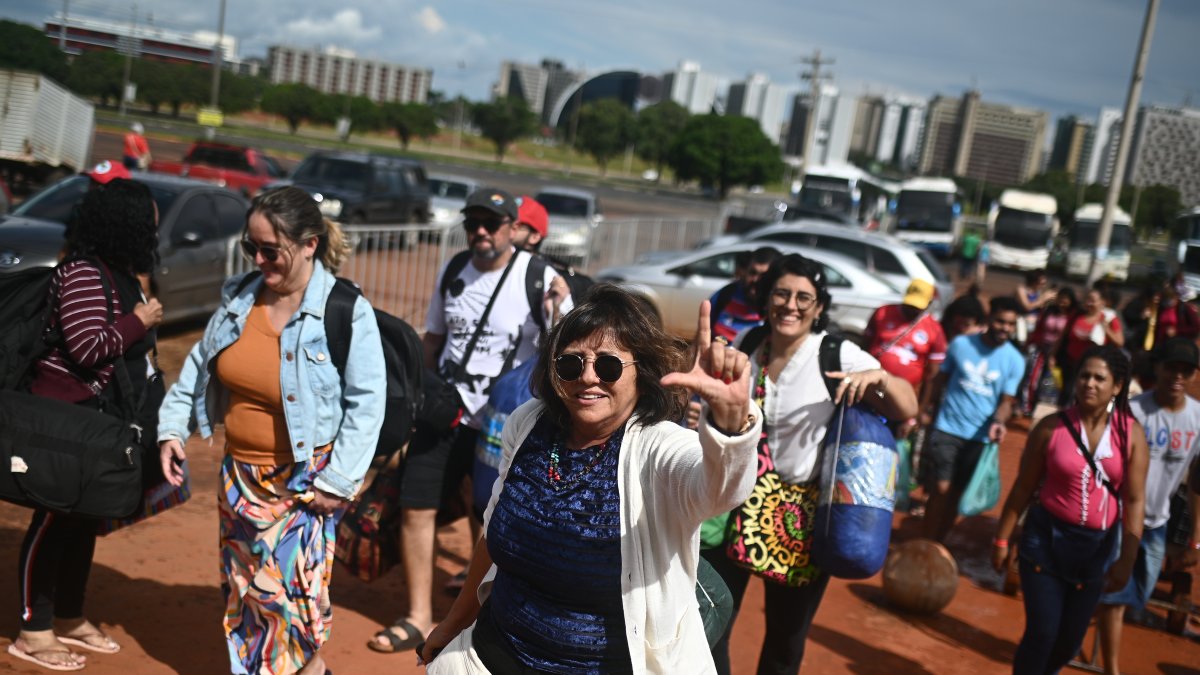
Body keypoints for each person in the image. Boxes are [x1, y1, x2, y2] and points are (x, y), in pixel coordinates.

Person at [419, 285, 762, 672]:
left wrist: (730, 426)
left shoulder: (658, 448)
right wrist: (454, 622)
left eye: (608, 365)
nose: (587, 377)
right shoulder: (528, 423)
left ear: (642, 372)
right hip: (493, 653)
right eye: (571, 363)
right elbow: (493, 528)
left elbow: (720, 490)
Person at [156, 186, 387, 675]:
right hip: (239, 481)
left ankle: (310, 670)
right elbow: (197, 369)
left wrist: (337, 481)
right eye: (251, 247)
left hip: (305, 485)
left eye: (270, 250)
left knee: (292, 601)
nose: (259, 260)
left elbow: (368, 403)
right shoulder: (240, 298)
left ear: (309, 244)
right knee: (246, 592)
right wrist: (173, 429)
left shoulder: (344, 310)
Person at [369, 188, 571, 654]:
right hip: (448, 412)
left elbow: (566, 347)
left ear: (512, 228)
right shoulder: (454, 269)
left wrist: (560, 309)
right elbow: (433, 340)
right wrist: (416, 398)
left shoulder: (538, 277)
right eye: (472, 222)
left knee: (491, 516)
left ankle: (478, 620)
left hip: (505, 421)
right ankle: (418, 616)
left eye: (491, 223)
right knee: (417, 504)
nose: (480, 231)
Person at [706, 253, 918, 674]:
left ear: (819, 307)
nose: (791, 305)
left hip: (802, 522)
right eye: (781, 294)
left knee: (784, 645)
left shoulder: (836, 353)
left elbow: (907, 405)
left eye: (804, 297)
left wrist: (880, 378)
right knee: (714, 625)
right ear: (767, 298)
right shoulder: (748, 342)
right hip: (737, 505)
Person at [10, 179, 163, 672]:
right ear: (128, 226)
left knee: (82, 522)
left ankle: (70, 616)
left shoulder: (120, 275)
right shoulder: (81, 273)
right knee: (52, 521)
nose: (156, 232)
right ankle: (33, 629)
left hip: (98, 425)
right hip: (63, 423)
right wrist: (139, 321)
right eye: (150, 223)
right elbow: (85, 346)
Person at [992, 345, 1148, 675]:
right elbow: (1023, 488)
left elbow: (1135, 500)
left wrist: (1127, 560)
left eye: (1099, 378)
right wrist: (1002, 539)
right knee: (1042, 633)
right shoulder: (1050, 428)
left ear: (1117, 386)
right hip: (1044, 540)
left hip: (1096, 550)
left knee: (1068, 643)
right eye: (1084, 376)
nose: (1089, 383)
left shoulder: (1130, 435)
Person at [1097, 338, 1200, 675]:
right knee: (1115, 596)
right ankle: (1111, 668)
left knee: (1139, 595)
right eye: (1171, 368)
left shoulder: (1198, 419)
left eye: (1186, 370)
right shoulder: (1133, 411)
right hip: (1120, 518)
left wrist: (1195, 538)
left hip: (1158, 522)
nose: (1177, 376)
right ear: (1157, 368)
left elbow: (1197, 483)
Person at [920, 296, 1025, 543]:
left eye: (1011, 324)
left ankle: (938, 544)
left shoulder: (1015, 360)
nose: (1005, 328)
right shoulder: (961, 344)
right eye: (1000, 321)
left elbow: (1006, 402)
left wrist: (999, 422)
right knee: (941, 489)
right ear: (989, 319)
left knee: (956, 494)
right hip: (947, 428)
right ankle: (924, 543)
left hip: (979, 437)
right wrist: (924, 411)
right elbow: (940, 380)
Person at [864, 278, 947, 406]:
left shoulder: (934, 329)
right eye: (909, 304)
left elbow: (931, 375)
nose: (912, 309)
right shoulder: (883, 312)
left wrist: (920, 409)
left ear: (929, 304)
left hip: (902, 397)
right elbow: (865, 344)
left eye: (917, 307)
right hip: (870, 386)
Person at [1060, 287, 1125, 406]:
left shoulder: (1109, 319)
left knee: (1082, 396)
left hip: (1091, 368)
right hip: (1071, 363)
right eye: (1087, 300)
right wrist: (1053, 354)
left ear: (1102, 302)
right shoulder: (1077, 315)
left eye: (1093, 300)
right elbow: (1063, 335)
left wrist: (1106, 329)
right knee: (1066, 394)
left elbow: (1120, 342)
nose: (1089, 303)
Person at [1019, 288, 1077, 416]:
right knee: (1032, 378)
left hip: (1060, 354)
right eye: (1060, 298)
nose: (1062, 301)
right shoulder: (1049, 311)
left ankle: (1048, 411)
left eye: (1066, 299)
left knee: (1053, 383)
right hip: (1041, 349)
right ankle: (1026, 406)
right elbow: (1038, 327)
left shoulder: (1072, 316)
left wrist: (1054, 354)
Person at [709, 246, 781, 342]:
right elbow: (706, 333)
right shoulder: (726, 294)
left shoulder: (779, 311)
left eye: (763, 275)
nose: (756, 280)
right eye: (753, 273)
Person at [1014, 270, 1055, 346]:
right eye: (1041, 284)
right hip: (1022, 323)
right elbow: (1027, 307)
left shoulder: (1038, 292)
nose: (1043, 286)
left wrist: (1047, 301)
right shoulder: (1021, 289)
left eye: (1044, 284)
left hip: (1034, 324)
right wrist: (1043, 299)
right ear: (1033, 281)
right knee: (1021, 343)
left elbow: (1040, 308)